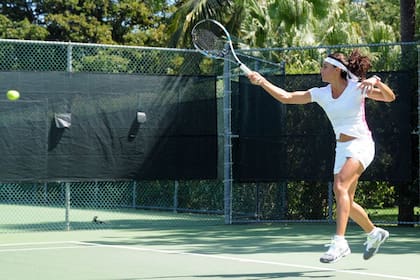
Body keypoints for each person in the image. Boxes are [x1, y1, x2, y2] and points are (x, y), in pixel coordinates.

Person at [247, 49, 396, 263]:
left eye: (325, 67)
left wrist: (376, 81)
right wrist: (261, 81)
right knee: (347, 202)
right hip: (342, 149)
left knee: (340, 188)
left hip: (362, 144)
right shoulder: (322, 93)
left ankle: (340, 243)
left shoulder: (356, 88)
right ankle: (374, 233)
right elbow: (287, 97)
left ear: (337, 70)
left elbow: (390, 98)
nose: (321, 70)